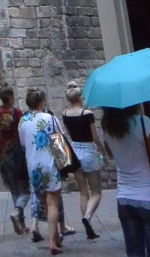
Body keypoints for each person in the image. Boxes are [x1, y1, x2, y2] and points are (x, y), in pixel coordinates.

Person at [100, 104, 150, 257]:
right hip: (147, 196)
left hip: (124, 198)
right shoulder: (143, 123)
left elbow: (111, 154)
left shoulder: (107, 127)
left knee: (134, 252)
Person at [18, 89, 62, 254]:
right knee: (53, 203)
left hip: (33, 166)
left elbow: (23, 144)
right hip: (49, 164)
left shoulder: (22, 121)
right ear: (41, 102)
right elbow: (59, 140)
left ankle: (55, 237)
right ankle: (52, 242)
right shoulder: (50, 118)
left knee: (45, 203)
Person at [62, 81, 103, 240]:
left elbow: (68, 134)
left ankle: (89, 227)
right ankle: (87, 217)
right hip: (88, 151)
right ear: (79, 98)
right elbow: (95, 137)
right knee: (96, 192)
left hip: (75, 152)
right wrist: (103, 151)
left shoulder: (65, 114)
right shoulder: (87, 114)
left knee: (83, 192)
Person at [0, 87, 30, 235]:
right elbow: (21, 132)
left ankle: (21, 223)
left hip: (3, 152)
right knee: (25, 189)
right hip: (16, 153)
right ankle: (18, 215)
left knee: (14, 189)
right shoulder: (17, 112)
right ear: (10, 97)